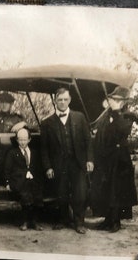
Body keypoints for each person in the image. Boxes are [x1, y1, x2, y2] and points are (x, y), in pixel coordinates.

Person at [40, 87, 94, 234]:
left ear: (69, 100)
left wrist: (90, 159)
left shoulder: (80, 117)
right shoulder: (46, 123)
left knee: (80, 193)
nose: (62, 103)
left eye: (65, 99)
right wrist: (48, 167)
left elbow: (88, 141)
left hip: (78, 163)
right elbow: (44, 149)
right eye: (59, 100)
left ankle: (79, 223)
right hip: (59, 164)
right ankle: (63, 220)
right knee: (61, 193)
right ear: (55, 101)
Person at [91, 86, 138, 233]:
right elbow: (100, 131)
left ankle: (116, 221)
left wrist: (116, 112)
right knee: (106, 190)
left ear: (123, 102)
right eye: (112, 99)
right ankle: (108, 219)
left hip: (119, 160)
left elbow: (121, 131)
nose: (112, 102)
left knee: (117, 191)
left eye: (116, 100)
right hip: (106, 158)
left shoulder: (128, 116)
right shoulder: (107, 115)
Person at [4, 127, 43, 231]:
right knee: (25, 195)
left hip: (32, 180)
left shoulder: (34, 152)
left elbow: (38, 168)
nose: (22, 142)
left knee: (37, 195)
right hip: (18, 181)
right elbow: (7, 169)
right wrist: (7, 182)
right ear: (17, 140)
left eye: (24, 139)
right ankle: (24, 221)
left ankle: (34, 221)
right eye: (20, 140)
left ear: (29, 140)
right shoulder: (12, 153)